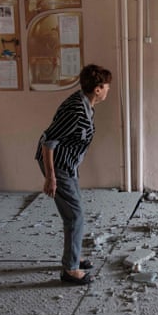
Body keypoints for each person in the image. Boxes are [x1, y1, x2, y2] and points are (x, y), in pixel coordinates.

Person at [35, 64, 112, 285]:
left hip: (68, 165)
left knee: (73, 214)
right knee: (75, 215)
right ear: (97, 89)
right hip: (57, 166)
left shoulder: (86, 104)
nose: (108, 90)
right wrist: (51, 177)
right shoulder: (76, 110)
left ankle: (73, 257)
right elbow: (48, 142)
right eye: (106, 86)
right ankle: (70, 270)